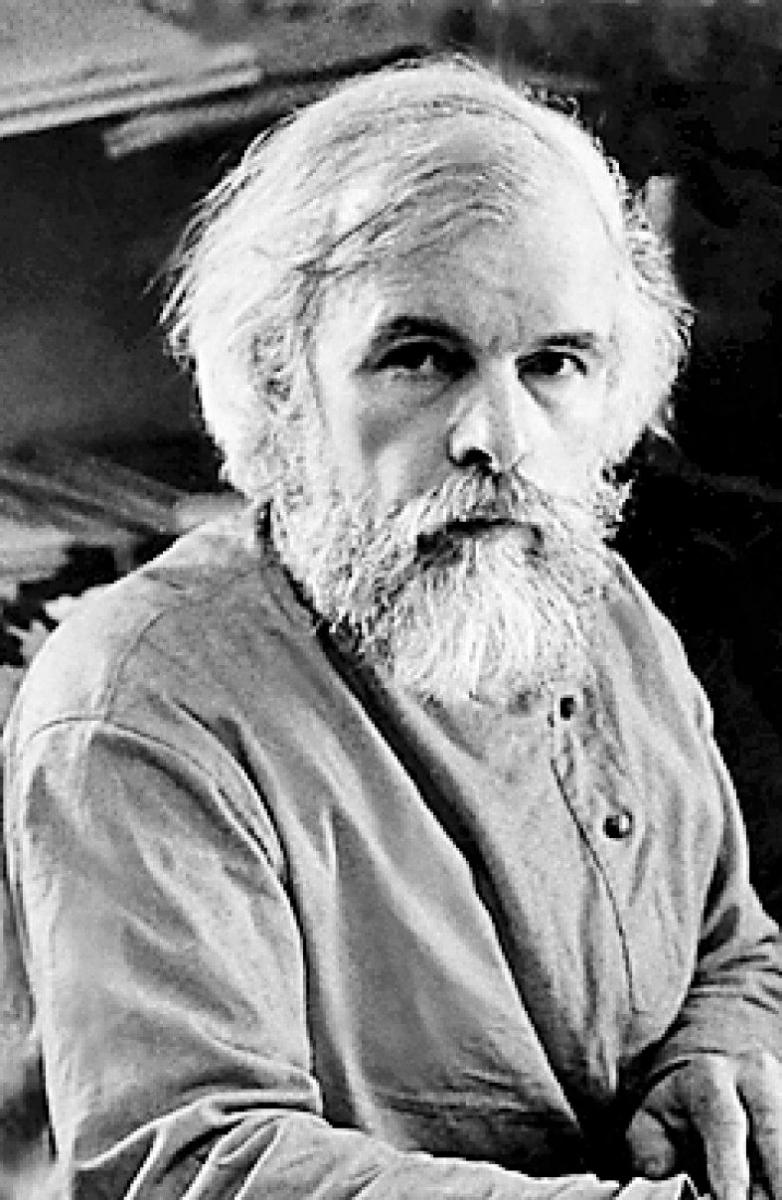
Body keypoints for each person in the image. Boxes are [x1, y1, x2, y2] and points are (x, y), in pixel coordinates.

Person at [2, 54, 782, 1200]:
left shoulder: (595, 605)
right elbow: (193, 1166)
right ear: (280, 381)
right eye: (420, 358)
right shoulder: (139, 704)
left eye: (553, 364)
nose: (497, 437)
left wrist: (710, 1054)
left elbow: (730, 947)